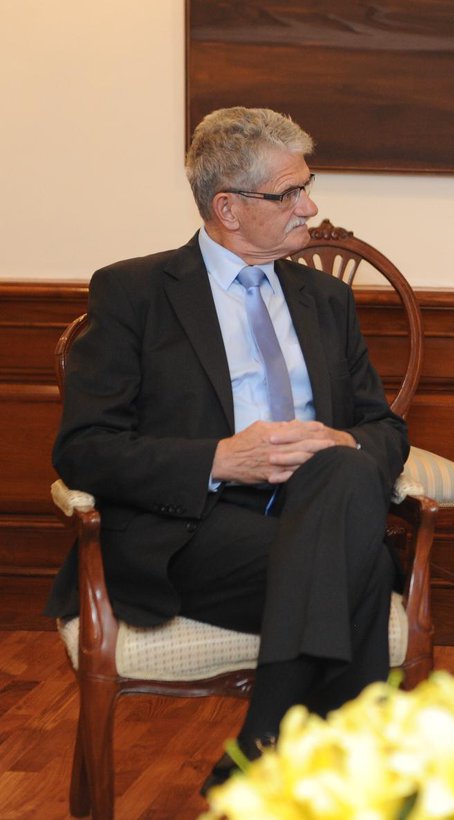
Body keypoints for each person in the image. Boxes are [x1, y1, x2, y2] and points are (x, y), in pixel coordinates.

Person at [45, 107, 409, 796]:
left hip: (317, 514)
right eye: (289, 194)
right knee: (355, 571)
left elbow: (385, 431)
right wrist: (218, 460)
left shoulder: (326, 299)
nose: (312, 207)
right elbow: (85, 450)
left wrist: (341, 438)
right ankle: (329, 778)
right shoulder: (134, 293)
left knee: (347, 467)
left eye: (309, 185)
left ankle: (259, 754)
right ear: (228, 208)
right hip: (192, 532)